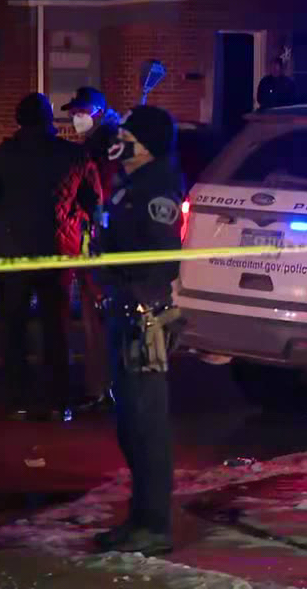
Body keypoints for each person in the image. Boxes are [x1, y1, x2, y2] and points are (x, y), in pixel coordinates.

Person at [0, 93, 100, 422]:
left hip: (11, 251)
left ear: (19, 120)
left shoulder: (2, 155)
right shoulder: (73, 154)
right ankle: (58, 399)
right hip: (57, 251)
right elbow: (93, 200)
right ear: (49, 120)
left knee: (13, 327)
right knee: (56, 327)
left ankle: (19, 398)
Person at [92, 104, 186, 558]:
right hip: (122, 307)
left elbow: (162, 259)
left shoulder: (156, 188)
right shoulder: (128, 182)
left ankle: (155, 524)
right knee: (129, 423)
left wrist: (136, 295)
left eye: (128, 137)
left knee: (147, 423)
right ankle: (138, 517)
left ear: (146, 145)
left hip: (143, 314)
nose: (120, 142)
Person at [63, 87, 119, 412]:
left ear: (97, 112)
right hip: (99, 240)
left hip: (100, 242)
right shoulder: (102, 145)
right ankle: (103, 385)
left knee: (97, 317)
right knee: (98, 317)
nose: (76, 119)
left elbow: (99, 197)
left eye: (80, 113)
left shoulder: (103, 150)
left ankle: (102, 386)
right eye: (74, 114)